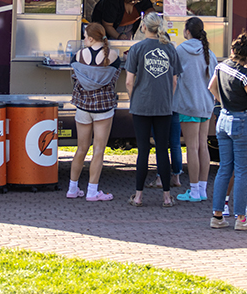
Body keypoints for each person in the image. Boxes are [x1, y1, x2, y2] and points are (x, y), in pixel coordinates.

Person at [126, 12, 182, 207]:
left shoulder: (137, 49)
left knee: (143, 150)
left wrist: (134, 99)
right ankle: (167, 197)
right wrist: (167, 97)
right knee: (162, 149)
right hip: (164, 106)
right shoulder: (171, 49)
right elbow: (174, 80)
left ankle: (139, 196)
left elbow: (129, 81)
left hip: (141, 105)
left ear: (143, 27)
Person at [208, 34, 247, 229]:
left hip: (223, 119)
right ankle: (240, 218)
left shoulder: (221, 67)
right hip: (243, 121)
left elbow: (211, 87)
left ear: (232, 51)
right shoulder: (246, 75)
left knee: (224, 169)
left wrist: (224, 102)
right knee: (242, 172)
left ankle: (217, 215)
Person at [67, 23, 121, 202]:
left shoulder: (79, 55)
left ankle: (72, 188)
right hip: (104, 107)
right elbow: (115, 78)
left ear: (91, 38)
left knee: (81, 148)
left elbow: (74, 77)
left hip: (83, 106)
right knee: (98, 149)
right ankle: (92, 191)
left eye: (84, 36)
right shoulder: (112, 55)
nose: (83, 39)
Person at [173, 17, 219, 203]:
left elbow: (174, 76)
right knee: (203, 145)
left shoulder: (180, 51)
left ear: (187, 31)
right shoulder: (210, 52)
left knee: (191, 147)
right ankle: (202, 189)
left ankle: (192, 190)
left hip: (187, 104)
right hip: (205, 105)